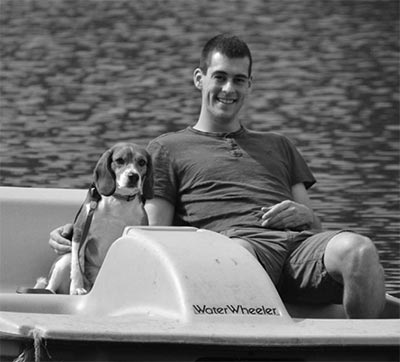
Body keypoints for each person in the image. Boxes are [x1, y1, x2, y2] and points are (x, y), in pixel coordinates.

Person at [50, 34, 386, 318]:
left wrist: (307, 215)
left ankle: (367, 349)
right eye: (220, 77)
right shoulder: (166, 149)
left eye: (239, 79)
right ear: (200, 78)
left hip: (296, 247)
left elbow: (314, 225)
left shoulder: (280, 144)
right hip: (234, 249)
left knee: (360, 251)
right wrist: (83, 230)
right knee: (237, 257)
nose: (229, 88)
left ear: (250, 85)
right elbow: (149, 230)